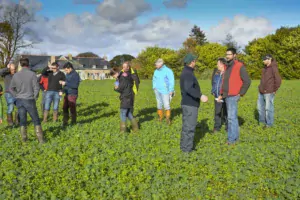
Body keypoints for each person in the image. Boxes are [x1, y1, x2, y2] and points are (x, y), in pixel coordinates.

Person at [218, 48, 251, 145]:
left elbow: (247, 81)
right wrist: (221, 94)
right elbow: (225, 81)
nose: (227, 56)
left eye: (229, 54)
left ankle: (231, 140)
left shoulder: (239, 66)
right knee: (232, 117)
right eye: (226, 54)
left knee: (231, 118)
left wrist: (240, 93)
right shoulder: (226, 66)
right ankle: (235, 138)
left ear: (234, 55)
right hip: (226, 95)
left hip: (233, 95)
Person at [9, 58, 45, 143]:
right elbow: (36, 87)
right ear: (28, 64)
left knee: (22, 120)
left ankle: (24, 140)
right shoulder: (32, 74)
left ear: (20, 65)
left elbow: (11, 88)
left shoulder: (16, 75)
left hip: (19, 100)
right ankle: (41, 140)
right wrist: (35, 97)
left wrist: (16, 95)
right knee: (36, 119)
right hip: (29, 99)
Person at [180, 53, 208, 152]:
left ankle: (184, 147)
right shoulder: (188, 73)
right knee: (189, 128)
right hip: (190, 104)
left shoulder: (187, 72)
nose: (195, 62)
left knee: (187, 127)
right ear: (191, 62)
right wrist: (200, 96)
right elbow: (188, 88)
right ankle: (187, 150)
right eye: (194, 61)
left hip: (187, 104)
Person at [110, 68, 138, 133]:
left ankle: (123, 131)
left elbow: (121, 88)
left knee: (123, 113)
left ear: (116, 73)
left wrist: (116, 88)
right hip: (130, 96)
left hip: (126, 97)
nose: (114, 77)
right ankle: (135, 128)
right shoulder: (126, 76)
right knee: (128, 113)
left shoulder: (122, 78)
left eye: (113, 76)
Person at [257, 54, 282, 128]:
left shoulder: (274, 68)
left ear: (269, 59)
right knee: (260, 108)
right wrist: (260, 87)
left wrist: (274, 89)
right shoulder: (264, 68)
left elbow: (278, 80)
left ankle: (269, 124)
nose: (263, 61)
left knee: (268, 108)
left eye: (264, 59)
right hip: (261, 91)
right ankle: (261, 122)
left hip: (269, 92)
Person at [152, 58, 175, 125]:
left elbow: (171, 81)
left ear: (161, 64)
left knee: (166, 104)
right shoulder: (156, 71)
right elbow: (154, 79)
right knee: (159, 104)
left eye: (156, 64)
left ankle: (168, 118)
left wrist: (171, 90)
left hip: (165, 90)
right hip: (157, 90)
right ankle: (160, 117)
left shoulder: (168, 71)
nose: (155, 66)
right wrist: (154, 87)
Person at [211, 58, 227, 133]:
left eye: (218, 63)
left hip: (225, 96)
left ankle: (228, 127)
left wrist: (222, 94)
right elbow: (214, 83)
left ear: (222, 64)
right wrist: (213, 91)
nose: (217, 65)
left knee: (226, 112)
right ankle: (217, 127)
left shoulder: (227, 73)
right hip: (217, 96)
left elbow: (228, 85)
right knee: (217, 112)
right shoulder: (217, 73)